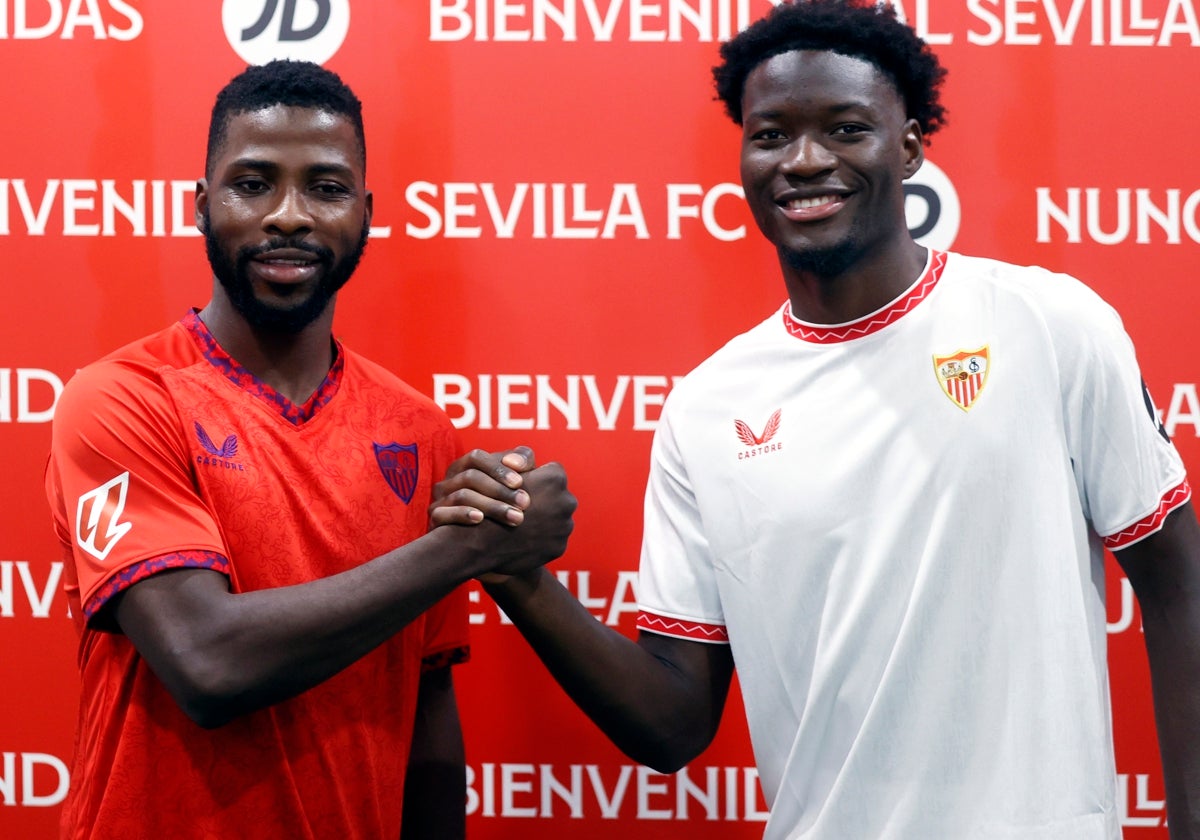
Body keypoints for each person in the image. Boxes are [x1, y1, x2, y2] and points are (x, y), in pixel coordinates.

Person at [435, 1, 1200, 837]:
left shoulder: (1049, 323)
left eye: (844, 129)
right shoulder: (707, 406)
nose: (803, 161)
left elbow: (1179, 591)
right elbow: (671, 723)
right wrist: (520, 578)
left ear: (908, 146)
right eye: (771, 136)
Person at [44, 60, 576, 840]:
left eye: (324, 189)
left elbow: (425, 707)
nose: (288, 215)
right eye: (253, 183)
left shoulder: (418, 430)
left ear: (364, 213)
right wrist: (460, 552)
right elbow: (205, 664)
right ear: (201, 205)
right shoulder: (125, 397)